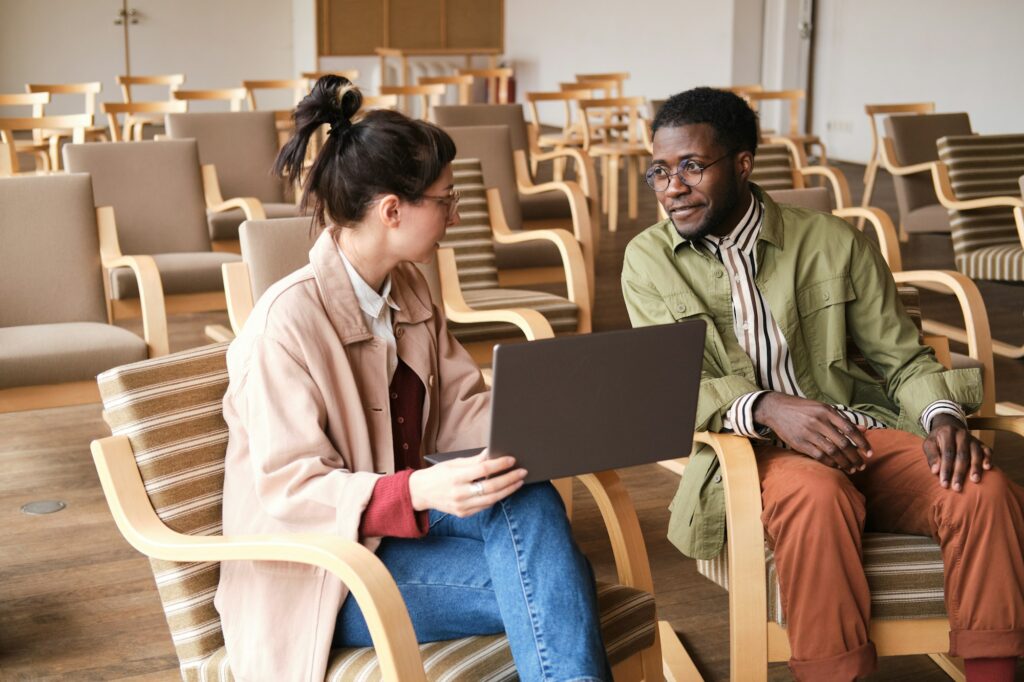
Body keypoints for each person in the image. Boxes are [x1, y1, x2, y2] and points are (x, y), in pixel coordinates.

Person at [622, 87, 1024, 681]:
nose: (672, 186)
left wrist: (943, 416)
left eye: (691, 166)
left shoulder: (833, 242)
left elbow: (903, 358)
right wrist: (767, 407)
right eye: (660, 169)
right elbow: (673, 387)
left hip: (859, 432)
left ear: (741, 163)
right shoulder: (647, 260)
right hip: (754, 452)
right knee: (816, 493)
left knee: (981, 486)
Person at [215, 76, 609, 681]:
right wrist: (420, 493)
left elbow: (455, 414)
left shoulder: (409, 288)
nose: (456, 213)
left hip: (393, 536)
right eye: (446, 199)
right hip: (323, 576)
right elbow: (289, 490)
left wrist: (563, 409)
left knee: (525, 497)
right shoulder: (283, 326)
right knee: (554, 585)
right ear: (392, 210)